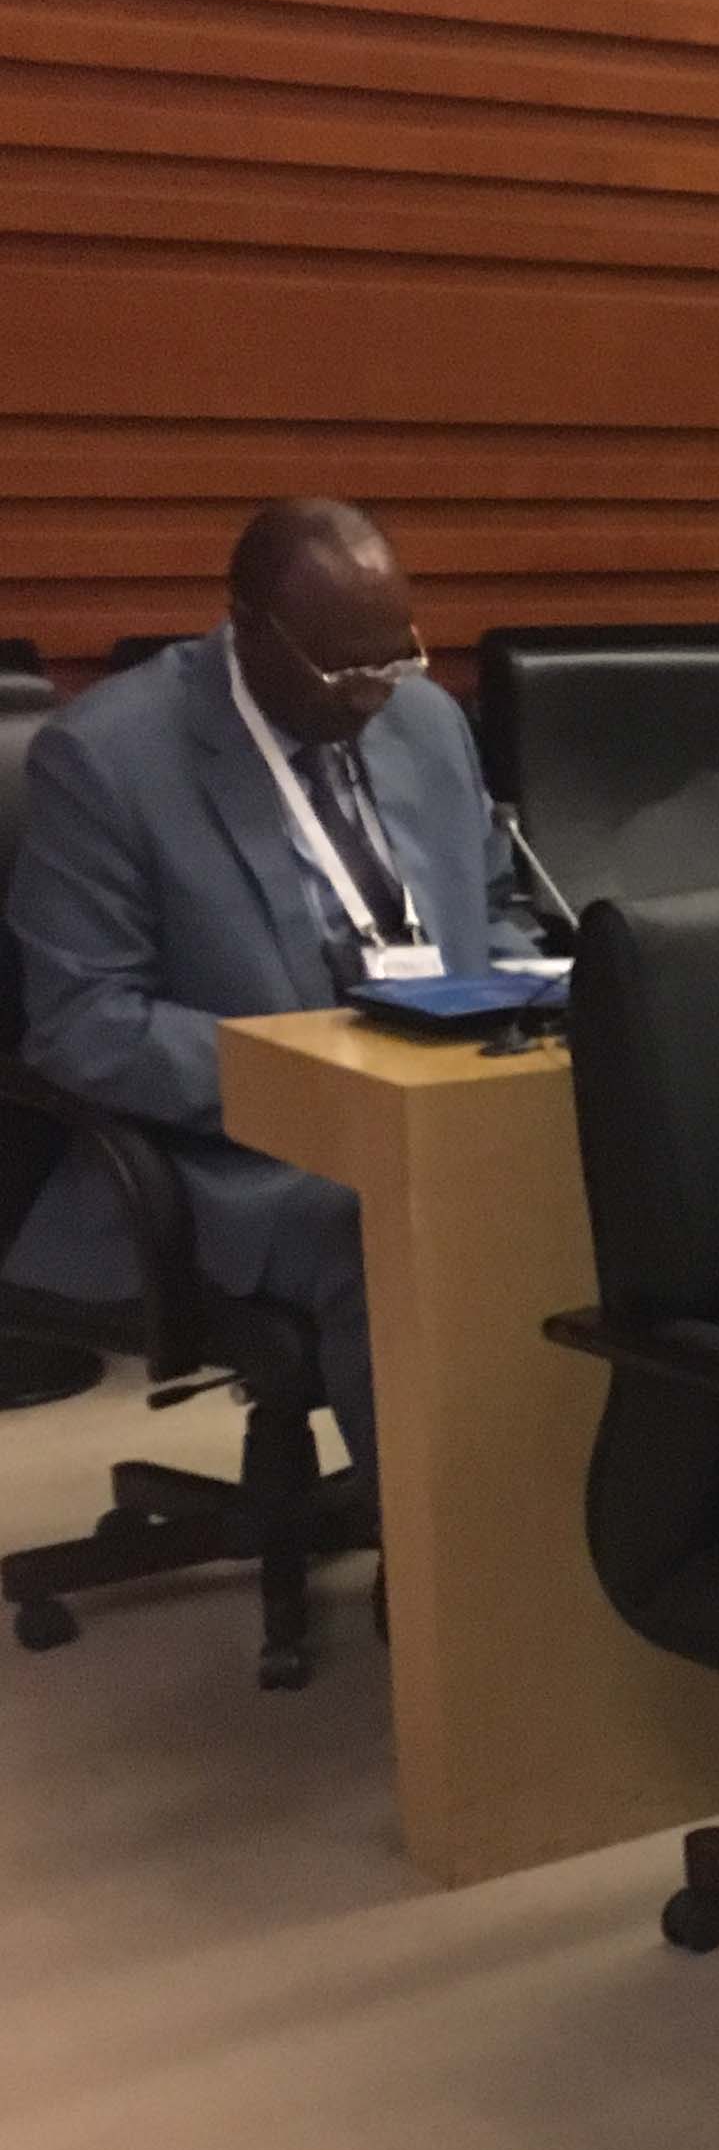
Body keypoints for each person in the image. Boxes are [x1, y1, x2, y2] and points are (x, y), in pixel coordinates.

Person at [6, 499, 532, 1489]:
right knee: (395, 1224)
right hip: (232, 1155)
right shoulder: (109, 759)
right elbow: (83, 1027)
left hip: (445, 1094)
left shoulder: (422, 718)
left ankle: (562, 1539)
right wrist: (311, 1070)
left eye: (396, 661)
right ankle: (434, 1585)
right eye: (344, 670)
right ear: (246, 627)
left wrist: (537, 992)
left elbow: (494, 906)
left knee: (584, 1181)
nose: (374, 696)